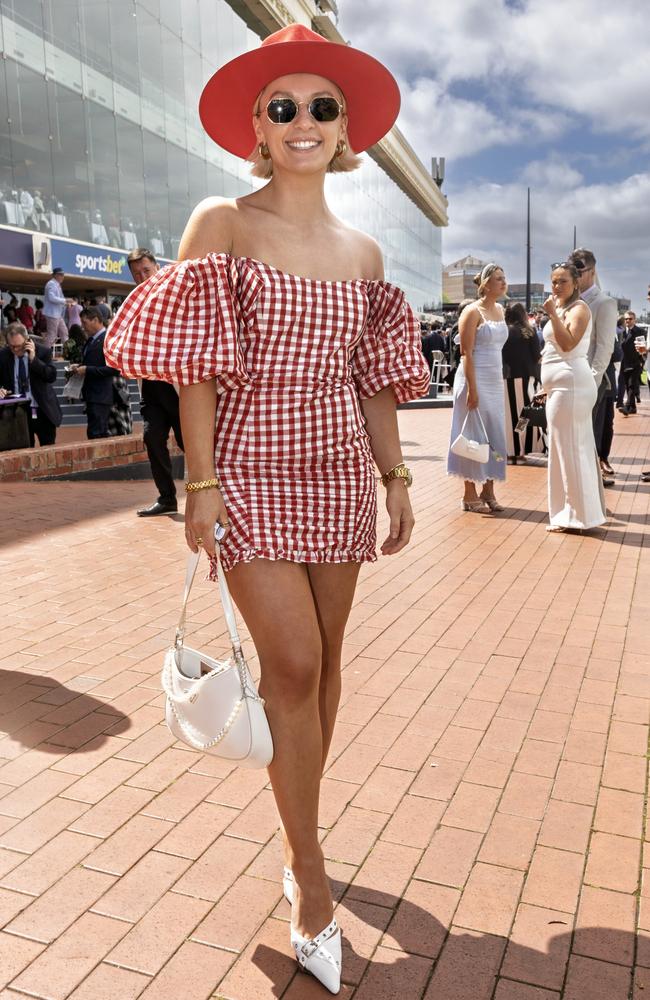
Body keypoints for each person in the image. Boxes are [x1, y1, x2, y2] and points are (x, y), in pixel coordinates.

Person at [105, 23, 428, 994]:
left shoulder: (364, 253)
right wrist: (197, 484)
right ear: (255, 124)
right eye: (281, 106)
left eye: (319, 108)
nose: (300, 121)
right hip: (245, 470)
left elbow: (373, 380)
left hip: (334, 472)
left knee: (325, 670)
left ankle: (300, 831)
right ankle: (309, 879)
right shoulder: (222, 224)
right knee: (288, 663)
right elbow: (197, 368)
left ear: (344, 131)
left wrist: (395, 476)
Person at [541, 263, 606, 532]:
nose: (556, 287)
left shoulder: (579, 309)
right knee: (562, 449)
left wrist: (552, 315)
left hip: (572, 386)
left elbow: (568, 343)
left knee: (570, 450)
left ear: (576, 283)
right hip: (561, 386)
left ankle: (578, 516)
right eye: (554, 281)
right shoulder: (562, 308)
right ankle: (570, 513)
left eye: (562, 282)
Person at [127, 248, 185, 517]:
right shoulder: (134, 303)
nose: (142, 277)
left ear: (157, 267)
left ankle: (220, 492)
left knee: (191, 444)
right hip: (151, 386)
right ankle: (167, 498)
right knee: (152, 437)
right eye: (137, 274)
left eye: (146, 270)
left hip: (179, 386)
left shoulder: (176, 294)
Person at [447, 263, 508, 512]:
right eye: (498, 279)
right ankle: (470, 494)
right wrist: (472, 389)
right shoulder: (472, 312)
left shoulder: (501, 310)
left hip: (494, 381)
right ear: (485, 284)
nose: (503, 283)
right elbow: (466, 353)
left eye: (504, 278)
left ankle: (489, 490)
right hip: (474, 378)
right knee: (471, 436)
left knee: (495, 436)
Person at [567, 248, 617, 483]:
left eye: (580, 270)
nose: (576, 275)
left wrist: (592, 382)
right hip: (567, 380)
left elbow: (604, 348)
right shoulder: (570, 302)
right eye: (572, 270)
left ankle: (588, 491)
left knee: (585, 440)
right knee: (571, 441)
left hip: (588, 383)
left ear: (592, 271)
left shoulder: (603, 303)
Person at [0, 321, 62, 445]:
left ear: (27, 340)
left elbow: (51, 376)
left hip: (42, 410)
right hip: (19, 412)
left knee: (48, 451)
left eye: (19, 345)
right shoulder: (3, 355)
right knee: (24, 451)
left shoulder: (43, 352)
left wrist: (34, 359)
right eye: (12, 346)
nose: (15, 349)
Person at [502, 301, 542, 463]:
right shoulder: (529, 331)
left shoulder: (503, 331)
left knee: (507, 415)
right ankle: (521, 450)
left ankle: (509, 450)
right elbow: (537, 356)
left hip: (505, 377)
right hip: (525, 378)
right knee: (524, 414)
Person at [71, 306, 117, 439]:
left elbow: (114, 369)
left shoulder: (107, 339)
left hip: (101, 396)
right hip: (92, 395)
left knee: (97, 434)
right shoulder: (91, 340)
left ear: (96, 320)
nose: (83, 327)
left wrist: (87, 370)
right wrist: (80, 367)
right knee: (95, 433)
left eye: (85, 323)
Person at [617, 311, 645, 415]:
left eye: (630, 318)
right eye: (626, 319)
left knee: (632, 385)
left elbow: (642, 348)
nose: (628, 320)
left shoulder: (640, 331)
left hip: (635, 362)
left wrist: (642, 360)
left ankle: (627, 406)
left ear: (634, 320)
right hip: (623, 363)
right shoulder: (621, 332)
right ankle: (633, 407)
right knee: (627, 386)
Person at [42, 268, 69, 349]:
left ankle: (69, 353)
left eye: (63, 275)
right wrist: (65, 300)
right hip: (52, 314)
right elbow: (51, 298)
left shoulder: (56, 285)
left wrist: (67, 303)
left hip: (57, 314)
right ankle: (45, 354)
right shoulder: (51, 284)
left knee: (64, 333)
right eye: (60, 274)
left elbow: (60, 299)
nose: (62, 277)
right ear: (54, 275)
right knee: (52, 335)